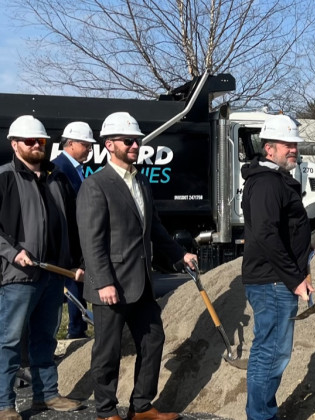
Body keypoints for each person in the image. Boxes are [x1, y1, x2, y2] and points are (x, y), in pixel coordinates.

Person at [77, 112, 197, 420]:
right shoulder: (95, 186)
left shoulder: (141, 181)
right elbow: (92, 240)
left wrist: (178, 254)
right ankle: (105, 411)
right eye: (129, 141)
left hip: (141, 280)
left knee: (153, 338)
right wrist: (103, 281)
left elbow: (154, 227)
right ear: (109, 144)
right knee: (108, 350)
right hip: (111, 284)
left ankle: (141, 406)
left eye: (138, 141)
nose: (135, 146)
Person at [0, 115, 84, 420]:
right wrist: (12, 253)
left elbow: (72, 225)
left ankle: (46, 396)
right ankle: (4, 404)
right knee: (9, 341)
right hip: (18, 276)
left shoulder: (57, 178)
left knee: (45, 339)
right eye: (30, 141)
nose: (37, 145)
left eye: (41, 141)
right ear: (14, 144)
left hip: (53, 274)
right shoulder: (5, 178)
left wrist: (76, 262)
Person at [240, 114, 314, 420]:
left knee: (271, 351)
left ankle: (262, 413)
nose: (293, 149)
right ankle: (261, 416)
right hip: (272, 282)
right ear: (269, 148)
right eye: (287, 144)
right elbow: (266, 234)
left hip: (279, 279)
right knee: (272, 352)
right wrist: (293, 278)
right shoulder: (267, 183)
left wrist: (303, 272)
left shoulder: (276, 179)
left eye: (295, 144)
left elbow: (289, 232)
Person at [52, 121, 96, 339]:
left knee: (77, 282)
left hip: (77, 238)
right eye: (85, 145)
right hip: (67, 239)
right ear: (70, 143)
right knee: (71, 282)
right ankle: (75, 332)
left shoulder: (76, 169)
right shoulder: (58, 169)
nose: (89, 149)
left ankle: (78, 329)